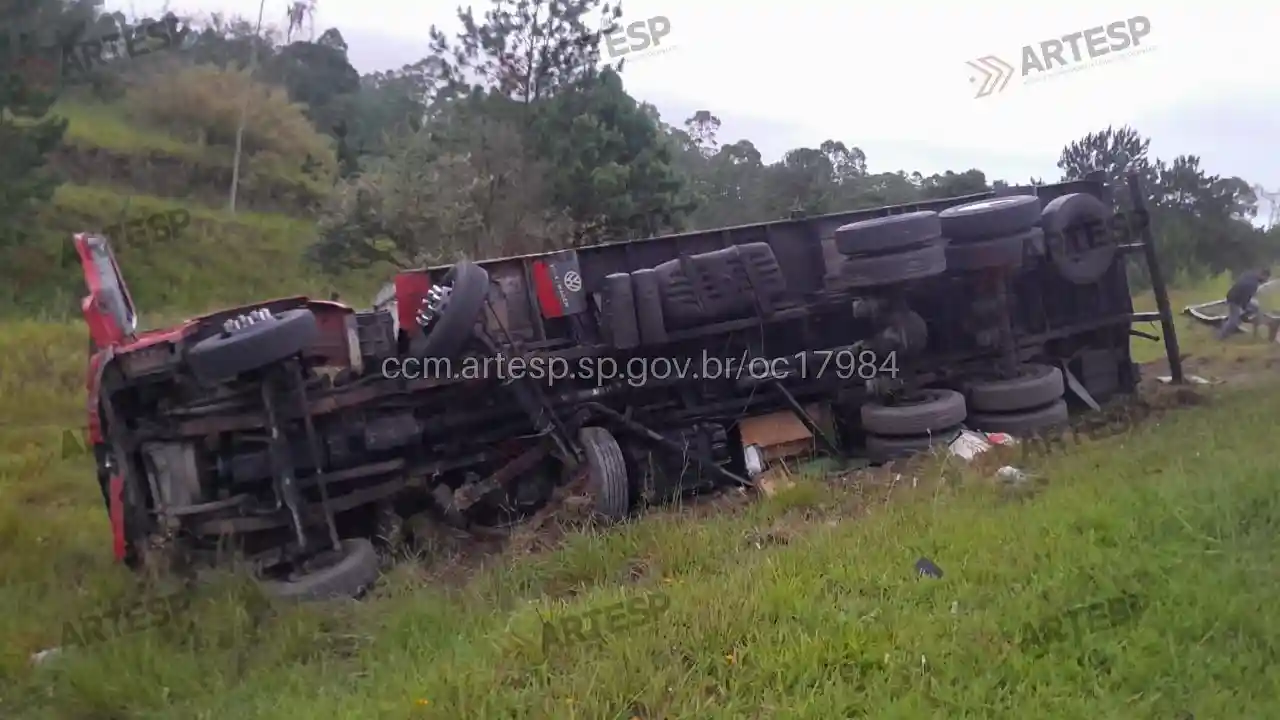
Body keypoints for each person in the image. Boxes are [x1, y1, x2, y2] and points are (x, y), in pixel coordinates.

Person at [1217, 267, 1271, 339]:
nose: (1266, 281)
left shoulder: (1250, 274)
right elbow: (1246, 299)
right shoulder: (1253, 284)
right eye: (1266, 278)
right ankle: (1220, 337)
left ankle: (1242, 317)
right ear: (1263, 275)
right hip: (1234, 300)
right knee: (1233, 321)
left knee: (1255, 307)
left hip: (1236, 295)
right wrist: (1244, 308)